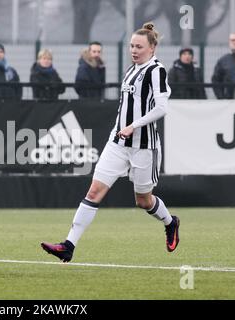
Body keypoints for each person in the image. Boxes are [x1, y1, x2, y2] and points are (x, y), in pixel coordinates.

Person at [41, 23, 180, 263]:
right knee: (94, 191)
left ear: (153, 47)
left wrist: (134, 126)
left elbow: (161, 108)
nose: (134, 50)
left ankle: (170, 222)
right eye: (132, 46)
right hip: (117, 143)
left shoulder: (156, 71)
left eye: (139, 46)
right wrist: (119, 129)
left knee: (143, 200)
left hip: (143, 146)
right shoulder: (131, 69)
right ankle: (68, 246)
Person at [212, 32, 235, 99]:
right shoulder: (223, 60)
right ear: (229, 42)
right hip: (230, 98)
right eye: (233, 40)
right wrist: (221, 97)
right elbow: (216, 80)